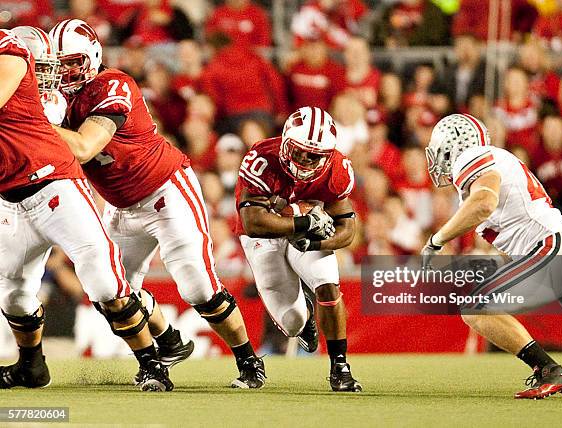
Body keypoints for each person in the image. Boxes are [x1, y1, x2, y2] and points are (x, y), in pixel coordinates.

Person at [46, 19, 265, 389]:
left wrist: (35, 124)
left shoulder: (112, 85)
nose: (65, 72)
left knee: (198, 287)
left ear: (92, 57)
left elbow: (84, 146)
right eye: (58, 64)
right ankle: (166, 344)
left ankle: (248, 360)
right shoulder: (55, 99)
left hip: (165, 190)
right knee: (109, 293)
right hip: (120, 205)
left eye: (72, 62)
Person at [0, 28, 170, 392]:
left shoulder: (10, 51)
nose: (48, 78)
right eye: (44, 67)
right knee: (13, 294)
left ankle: (152, 364)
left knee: (105, 281)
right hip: (9, 198)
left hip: (54, 186)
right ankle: (31, 367)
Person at [421, 114, 562, 399]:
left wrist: (436, 240)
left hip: (553, 249)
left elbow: (484, 204)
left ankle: (548, 370)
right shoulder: (494, 160)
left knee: (476, 306)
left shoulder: (471, 157)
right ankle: (548, 370)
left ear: (451, 145)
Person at [235, 107, 362, 392]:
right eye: (299, 151)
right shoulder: (261, 159)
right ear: (284, 143)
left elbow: (347, 230)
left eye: (314, 156)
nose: (305, 161)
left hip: (305, 231)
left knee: (329, 286)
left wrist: (314, 242)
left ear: (327, 156)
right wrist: (304, 221)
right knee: (292, 323)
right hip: (265, 236)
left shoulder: (336, 170)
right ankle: (305, 318)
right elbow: (253, 222)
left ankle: (340, 367)